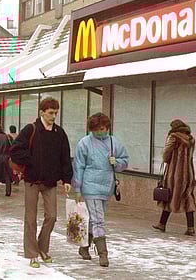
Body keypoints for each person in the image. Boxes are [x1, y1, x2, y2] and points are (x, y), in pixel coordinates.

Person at [10, 97, 73, 268]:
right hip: (32, 180)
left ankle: (42, 248)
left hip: (50, 181)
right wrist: (32, 161)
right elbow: (15, 150)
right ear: (42, 113)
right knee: (30, 218)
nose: (53, 116)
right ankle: (32, 254)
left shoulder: (59, 133)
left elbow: (65, 157)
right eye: (51, 113)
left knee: (52, 216)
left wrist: (67, 179)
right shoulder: (30, 129)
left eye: (56, 113)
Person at [74, 113, 128, 267]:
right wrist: (78, 188)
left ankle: (84, 247)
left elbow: (125, 160)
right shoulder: (84, 143)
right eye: (96, 129)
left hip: (107, 186)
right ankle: (103, 254)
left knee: (94, 218)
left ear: (107, 127)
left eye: (102, 129)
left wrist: (116, 162)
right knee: (98, 219)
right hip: (90, 186)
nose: (99, 132)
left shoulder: (114, 142)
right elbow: (79, 166)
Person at [152, 119, 196, 236]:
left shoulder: (174, 136)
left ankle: (162, 224)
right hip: (188, 172)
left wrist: (166, 159)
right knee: (188, 197)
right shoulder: (190, 138)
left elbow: (166, 153)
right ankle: (190, 227)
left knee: (169, 195)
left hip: (174, 172)